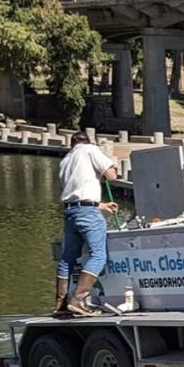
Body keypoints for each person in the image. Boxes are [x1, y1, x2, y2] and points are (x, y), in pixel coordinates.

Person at [56, 132, 118, 317]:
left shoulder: (65, 160)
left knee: (67, 258)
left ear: (72, 144)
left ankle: (60, 304)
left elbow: (75, 193)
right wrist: (111, 164)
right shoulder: (90, 149)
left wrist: (101, 205)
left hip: (70, 212)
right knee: (98, 255)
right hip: (87, 213)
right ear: (88, 142)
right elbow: (111, 175)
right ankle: (78, 301)